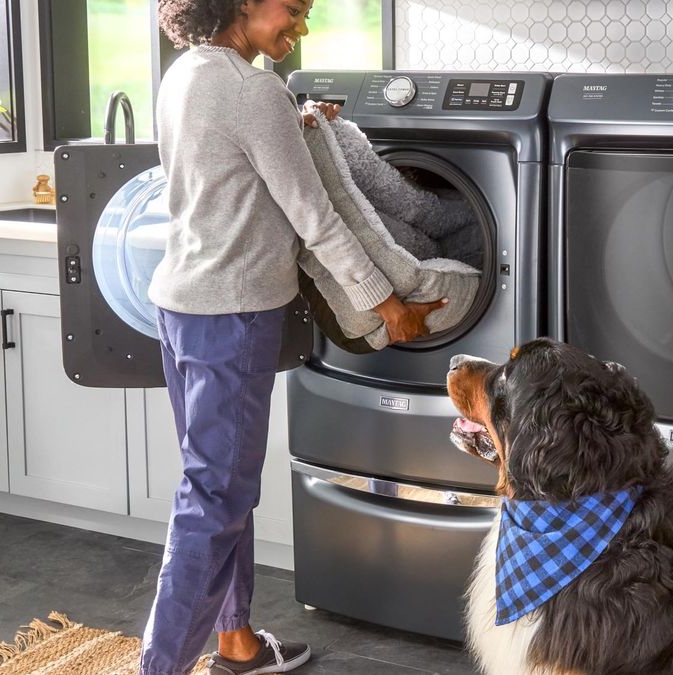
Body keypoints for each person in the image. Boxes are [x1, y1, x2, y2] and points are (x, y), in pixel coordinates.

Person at [143, 1, 444, 673]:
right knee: (215, 498)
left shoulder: (185, 72)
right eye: (294, 9)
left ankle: (236, 640)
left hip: (183, 305)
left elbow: (231, 174)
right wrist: (387, 302)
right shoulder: (255, 90)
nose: (300, 28)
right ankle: (158, 666)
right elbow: (317, 219)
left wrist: (298, 125)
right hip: (233, 314)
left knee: (221, 487)